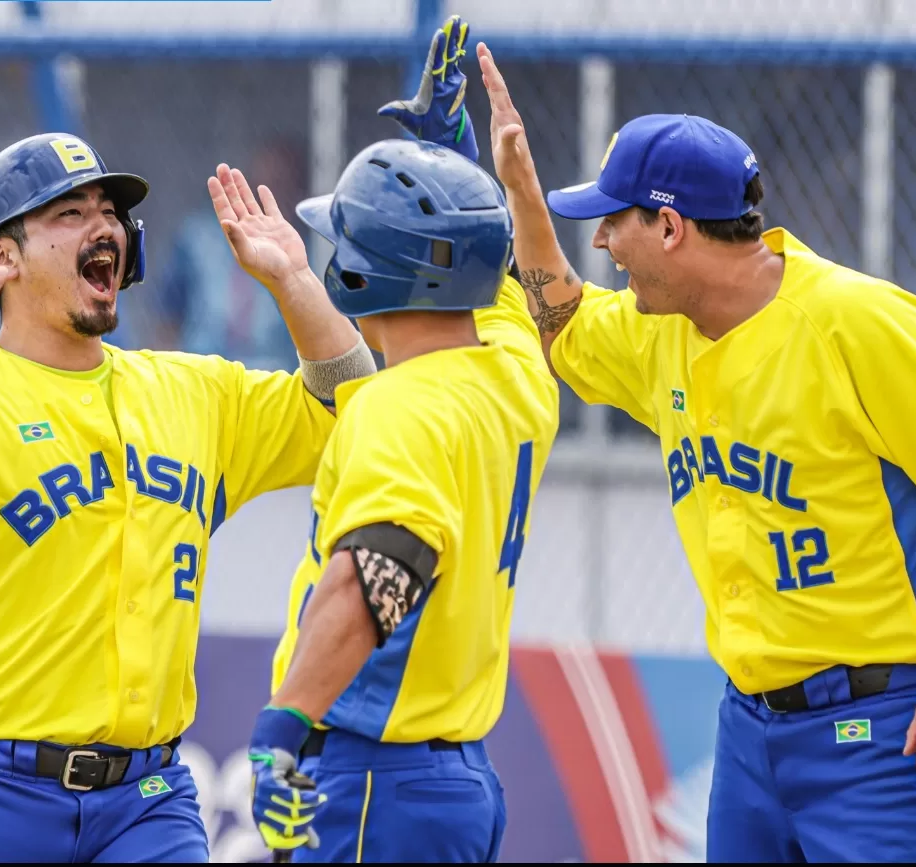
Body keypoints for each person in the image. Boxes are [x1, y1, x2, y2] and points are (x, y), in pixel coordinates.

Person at [477, 42, 916, 863]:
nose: (603, 245)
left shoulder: (857, 323)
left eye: (614, 222)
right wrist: (519, 190)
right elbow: (563, 326)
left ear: (669, 226)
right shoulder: (663, 331)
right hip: (751, 729)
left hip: (888, 733)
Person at [0, 132, 375, 862]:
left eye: (108, 210)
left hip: (147, 803)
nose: (103, 225)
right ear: (3, 256)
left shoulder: (193, 393)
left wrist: (294, 282)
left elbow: (357, 417)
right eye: (68, 213)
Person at [245, 18, 561, 863]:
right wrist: (454, 150)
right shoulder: (518, 374)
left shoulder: (397, 405)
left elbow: (376, 576)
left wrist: (285, 723)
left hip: (371, 781)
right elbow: (488, 280)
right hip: (456, 780)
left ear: (365, 274)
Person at [150, 139, 305, 372]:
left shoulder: (304, 251)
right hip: (201, 371)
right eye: (261, 188)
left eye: (282, 186)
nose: (273, 195)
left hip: (275, 376)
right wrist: (163, 375)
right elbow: (168, 316)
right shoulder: (197, 238)